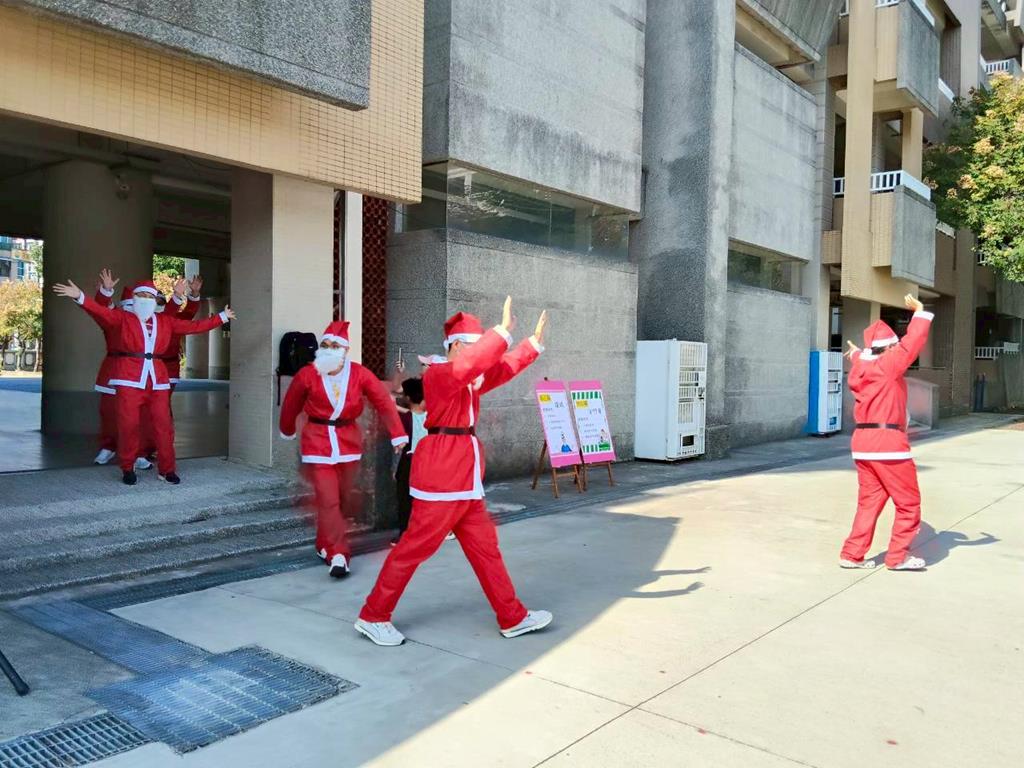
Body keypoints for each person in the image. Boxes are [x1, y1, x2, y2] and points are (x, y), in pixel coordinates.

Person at [355, 297, 553, 647]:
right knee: (413, 549)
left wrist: (531, 345)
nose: (480, 355)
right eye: (475, 347)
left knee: (486, 550)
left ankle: (512, 616)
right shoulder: (439, 374)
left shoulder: (467, 378)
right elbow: (475, 364)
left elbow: (501, 369)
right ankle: (374, 615)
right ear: (457, 347)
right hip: (443, 478)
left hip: (464, 481)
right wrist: (502, 332)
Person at [52, 277, 235, 485]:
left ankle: (167, 469)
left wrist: (221, 317)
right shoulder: (123, 318)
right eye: (141, 295)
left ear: (155, 300)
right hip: (129, 378)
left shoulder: (165, 320)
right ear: (134, 298)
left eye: (150, 296)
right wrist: (80, 296)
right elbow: (100, 312)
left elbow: (194, 326)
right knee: (128, 425)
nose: (146, 299)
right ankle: (127, 467)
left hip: (158, 379)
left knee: (164, 425)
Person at [279, 321, 408, 578]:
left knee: (341, 500)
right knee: (329, 499)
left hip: (348, 443)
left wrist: (397, 434)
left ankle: (323, 543)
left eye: (334, 346)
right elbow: (291, 403)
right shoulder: (308, 374)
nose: (328, 349)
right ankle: (338, 554)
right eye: (325, 345)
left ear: (345, 350)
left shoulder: (359, 373)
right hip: (317, 442)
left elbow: (383, 401)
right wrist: (287, 428)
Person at [839, 294, 933, 572]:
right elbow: (911, 343)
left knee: (868, 503)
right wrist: (920, 312)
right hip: (888, 444)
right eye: (894, 346)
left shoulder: (862, 367)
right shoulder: (888, 366)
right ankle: (897, 557)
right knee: (908, 503)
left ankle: (852, 554)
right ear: (890, 348)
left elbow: (862, 357)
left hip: (862, 444)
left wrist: (857, 353)